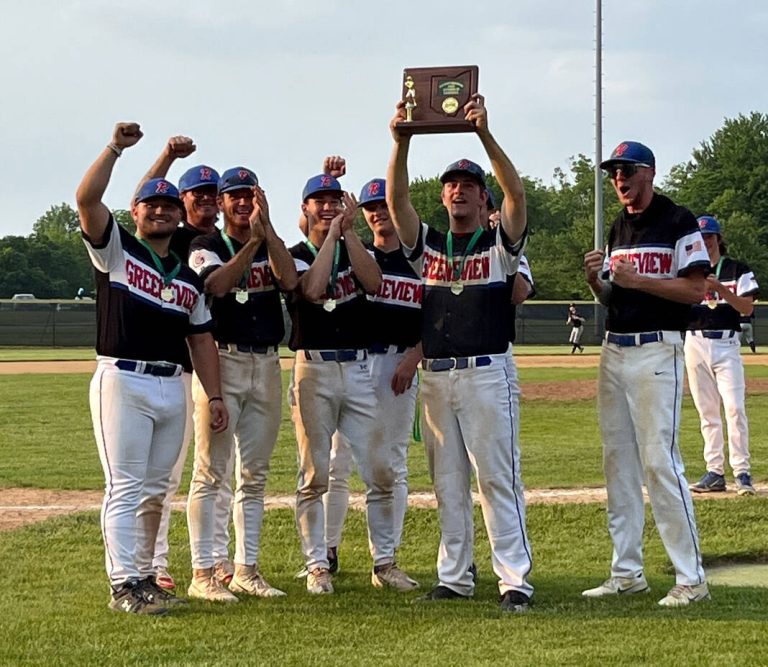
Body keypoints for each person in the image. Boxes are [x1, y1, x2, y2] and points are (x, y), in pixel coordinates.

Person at [387, 93, 533, 613]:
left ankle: (514, 580)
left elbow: (516, 194)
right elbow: (395, 201)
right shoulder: (428, 245)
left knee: (497, 478)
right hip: (437, 377)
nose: (458, 192)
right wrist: (399, 143)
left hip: (487, 372)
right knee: (447, 482)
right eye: (452, 185)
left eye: (469, 186)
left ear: (480, 198)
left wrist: (484, 136)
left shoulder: (498, 244)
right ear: (444, 197)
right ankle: (455, 577)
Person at [75, 122, 228, 615]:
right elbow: (86, 199)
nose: (160, 210)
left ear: (177, 213)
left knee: (158, 490)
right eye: (151, 205)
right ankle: (123, 585)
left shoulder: (187, 277)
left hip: (172, 383)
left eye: (168, 205)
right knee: (125, 487)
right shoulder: (117, 250)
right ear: (135, 212)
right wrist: (115, 148)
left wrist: (216, 395)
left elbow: (201, 339)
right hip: (122, 377)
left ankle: (144, 577)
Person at [582, 140, 711, 607]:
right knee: (618, 463)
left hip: (657, 349)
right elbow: (614, 297)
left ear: (650, 173)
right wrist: (597, 282)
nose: (619, 179)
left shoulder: (678, 220)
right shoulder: (619, 226)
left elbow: (697, 290)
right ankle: (627, 571)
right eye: (614, 172)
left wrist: (639, 281)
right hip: (615, 348)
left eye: (627, 170)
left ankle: (691, 577)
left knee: (660, 462)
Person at [287, 172, 417, 594]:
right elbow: (313, 289)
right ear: (304, 210)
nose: (327, 207)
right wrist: (330, 238)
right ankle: (317, 563)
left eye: (333, 201)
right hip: (314, 368)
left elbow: (375, 282)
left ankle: (384, 562)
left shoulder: (356, 249)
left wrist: (348, 235)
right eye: (318, 201)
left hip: (358, 368)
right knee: (316, 473)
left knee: (380, 470)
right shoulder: (294, 254)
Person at [186, 167, 298, 601]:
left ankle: (246, 569)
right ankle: (203, 572)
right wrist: (251, 242)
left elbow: (290, 281)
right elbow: (214, 284)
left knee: (255, 474)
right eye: (233, 196)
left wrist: (267, 233)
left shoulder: (271, 243)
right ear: (222, 203)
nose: (242, 203)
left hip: (267, 362)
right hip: (223, 360)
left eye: (249, 196)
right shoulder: (207, 244)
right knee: (210, 471)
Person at [139, 136, 235, 593]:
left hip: (191, 360)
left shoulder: (215, 239)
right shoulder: (169, 233)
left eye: (210, 193)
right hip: (161, 358)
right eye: (195, 193)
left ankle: (216, 559)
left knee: (201, 469)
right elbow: (143, 197)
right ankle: (154, 564)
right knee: (167, 474)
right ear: (180, 200)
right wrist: (168, 158)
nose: (205, 199)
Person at [686, 215, 759, 496]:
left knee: (734, 408)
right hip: (695, 342)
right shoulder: (689, 272)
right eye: (701, 238)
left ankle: (742, 472)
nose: (705, 242)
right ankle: (715, 471)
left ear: (718, 239)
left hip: (726, 344)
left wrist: (718, 290)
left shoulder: (736, 269)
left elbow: (746, 308)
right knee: (707, 412)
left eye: (710, 237)